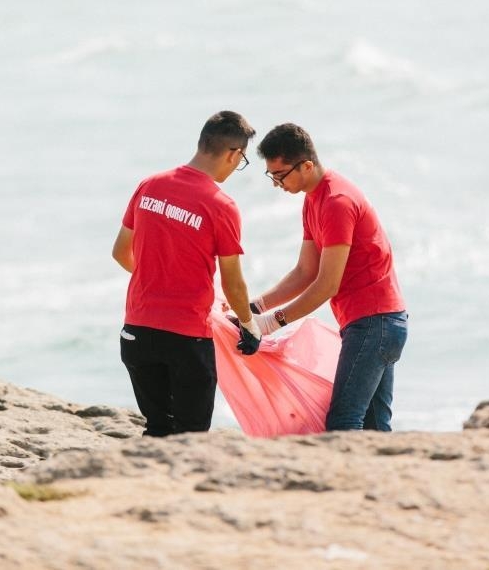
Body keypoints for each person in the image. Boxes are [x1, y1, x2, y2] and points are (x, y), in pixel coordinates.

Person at [249, 123, 407, 432]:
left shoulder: (337, 202)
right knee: (375, 427)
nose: (276, 184)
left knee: (343, 422)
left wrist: (269, 324)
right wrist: (253, 308)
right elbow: (305, 272)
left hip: (375, 323)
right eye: (272, 176)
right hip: (373, 323)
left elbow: (326, 285)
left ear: (306, 165)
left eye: (280, 175)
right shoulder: (312, 199)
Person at [112, 110, 262, 437]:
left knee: (157, 431)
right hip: (186, 339)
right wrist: (249, 326)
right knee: (190, 437)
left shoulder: (149, 186)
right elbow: (233, 282)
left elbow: (121, 252)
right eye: (242, 160)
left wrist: (159, 279)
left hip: (137, 332)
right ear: (233, 154)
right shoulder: (221, 205)